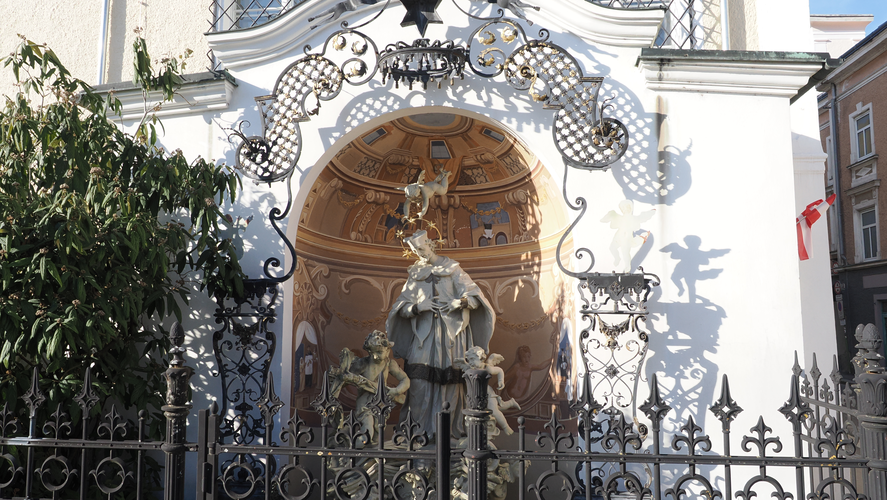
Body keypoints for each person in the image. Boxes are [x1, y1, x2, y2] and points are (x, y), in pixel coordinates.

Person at [386, 230, 495, 438]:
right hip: (423, 337)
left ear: (430, 244)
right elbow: (401, 307)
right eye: (416, 251)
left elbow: (474, 297)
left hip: (452, 335)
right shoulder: (415, 273)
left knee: (453, 380)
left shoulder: (452, 268)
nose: (420, 254)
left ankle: (449, 433)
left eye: (421, 249)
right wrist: (418, 307)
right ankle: (418, 432)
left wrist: (459, 302)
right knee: (418, 381)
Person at [328, 330, 410, 447]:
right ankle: (352, 451)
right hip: (365, 403)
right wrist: (341, 378)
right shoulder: (363, 363)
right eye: (373, 352)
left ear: (387, 350)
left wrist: (396, 391)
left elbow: (405, 380)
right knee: (368, 432)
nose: (376, 356)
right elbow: (346, 380)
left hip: (382, 404)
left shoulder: (389, 363)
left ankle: (367, 456)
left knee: (377, 436)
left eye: (380, 352)